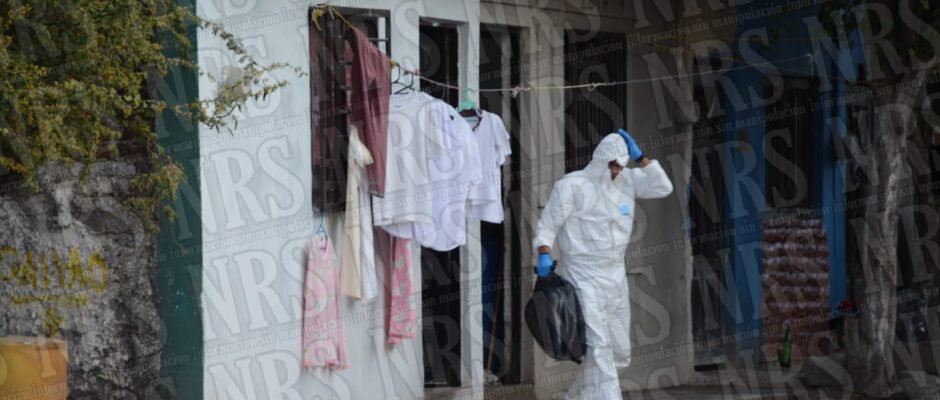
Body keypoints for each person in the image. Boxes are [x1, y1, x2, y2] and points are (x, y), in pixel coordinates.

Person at [533, 129, 673, 399]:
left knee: (619, 353)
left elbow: (663, 187)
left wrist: (642, 158)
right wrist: (544, 253)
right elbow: (548, 227)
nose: (618, 171)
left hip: (615, 275)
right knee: (598, 349)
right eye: (614, 165)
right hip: (582, 274)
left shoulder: (627, 180)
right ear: (601, 160)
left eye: (622, 165)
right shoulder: (572, 186)